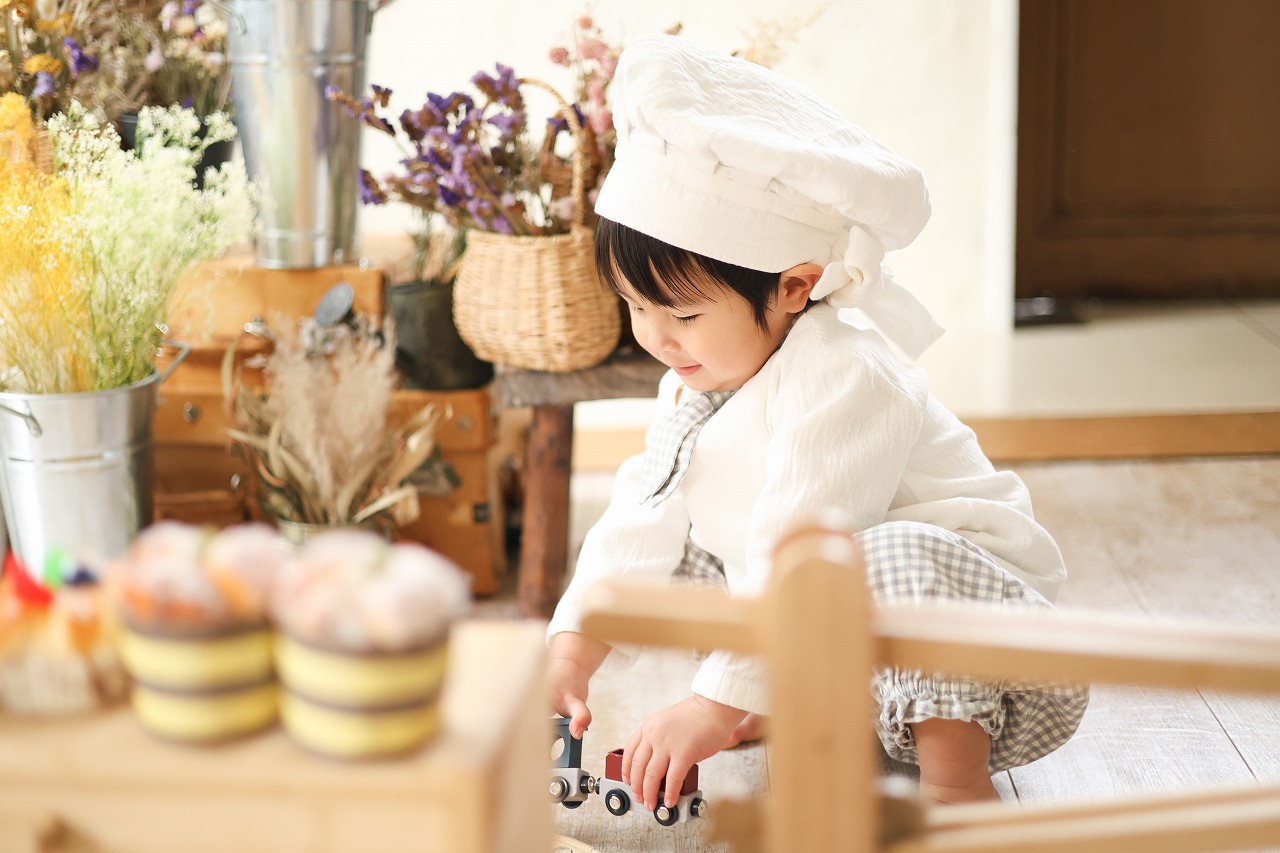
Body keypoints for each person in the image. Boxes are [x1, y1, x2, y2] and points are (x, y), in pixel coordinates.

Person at [546, 35, 1088, 810]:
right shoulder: (695, 387)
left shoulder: (848, 373)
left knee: (878, 555)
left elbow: (798, 541)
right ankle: (775, 694)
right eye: (634, 306)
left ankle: (957, 781)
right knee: (687, 546)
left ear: (796, 287)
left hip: (986, 655)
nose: (655, 337)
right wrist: (572, 650)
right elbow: (638, 520)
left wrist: (712, 703)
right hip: (842, 642)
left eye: (683, 314)